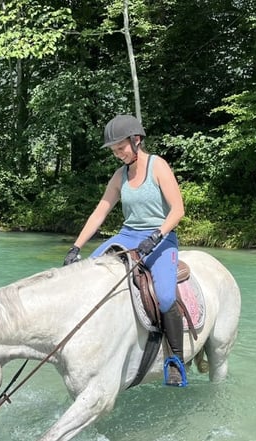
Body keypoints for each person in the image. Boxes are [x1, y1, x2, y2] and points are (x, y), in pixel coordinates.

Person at [62, 114, 188, 386]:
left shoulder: (158, 166)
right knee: (87, 274)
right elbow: (101, 211)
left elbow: (178, 210)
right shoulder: (120, 175)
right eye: (114, 150)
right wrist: (76, 247)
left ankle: (175, 360)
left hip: (162, 237)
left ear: (136, 140)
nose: (118, 154)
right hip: (128, 235)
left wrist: (156, 235)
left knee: (166, 297)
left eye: (121, 148)